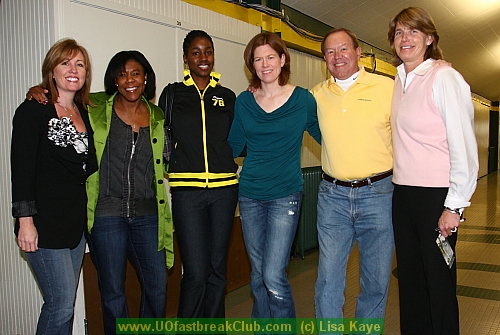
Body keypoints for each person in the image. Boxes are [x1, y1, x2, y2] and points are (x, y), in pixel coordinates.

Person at [28, 50, 173, 335]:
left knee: (157, 287)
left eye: (136, 73)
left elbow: (166, 159)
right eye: (122, 74)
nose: (129, 80)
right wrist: (41, 90)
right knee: (112, 292)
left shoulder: (156, 115)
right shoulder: (94, 105)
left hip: (147, 215)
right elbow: (63, 95)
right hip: (106, 215)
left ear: (146, 79)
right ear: (114, 80)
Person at [388, 7, 478, 334]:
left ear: (429, 38)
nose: (405, 38)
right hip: (404, 195)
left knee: (438, 285)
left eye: (413, 31)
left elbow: (464, 146)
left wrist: (453, 206)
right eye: (399, 32)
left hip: (436, 199)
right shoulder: (399, 80)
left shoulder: (444, 78)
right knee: (410, 284)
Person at [228, 32, 321, 319]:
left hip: (286, 195)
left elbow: (327, 138)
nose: (264, 64)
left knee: (273, 274)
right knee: (258, 274)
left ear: (282, 59)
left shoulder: (303, 99)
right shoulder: (245, 101)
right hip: (250, 194)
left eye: (270, 57)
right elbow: (233, 145)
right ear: (252, 65)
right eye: (258, 59)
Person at [11, 38, 98, 334]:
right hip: (43, 225)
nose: (73, 70)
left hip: (74, 227)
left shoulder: (84, 111)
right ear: (52, 69)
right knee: (59, 305)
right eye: (65, 63)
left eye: (80, 64)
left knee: (64, 304)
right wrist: (25, 222)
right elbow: (21, 170)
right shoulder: (34, 110)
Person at [310, 27, 395, 330]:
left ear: (359, 52)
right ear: (324, 59)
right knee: (328, 280)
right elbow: (282, 106)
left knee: (375, 279)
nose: (338, 57)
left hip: (380, 194)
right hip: (333, 198)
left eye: (343, 49)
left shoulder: (387, 88)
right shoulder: (316, 95)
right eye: (330, 52)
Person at [158, 30, 239, 318]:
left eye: (208, 51)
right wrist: (174, 162)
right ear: (185, 58)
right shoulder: (173, 94)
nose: (203, 57)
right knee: (194, 272)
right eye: (196, 52)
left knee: (217, 270)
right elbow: (160, 132)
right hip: (187, 193)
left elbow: (240, 136)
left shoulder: (228, 97)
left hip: (224, 192)